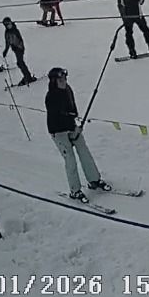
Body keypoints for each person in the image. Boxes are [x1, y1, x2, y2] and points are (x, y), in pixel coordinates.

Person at [45, 67, 110, 202]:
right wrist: (72, 127)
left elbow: (72, 108)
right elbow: (58, 116)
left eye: (65, 78)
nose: (64, 81)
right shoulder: (51, 97)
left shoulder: (67, 89)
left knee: (85, 154)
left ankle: (94, 180)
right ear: (54, 81)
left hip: (71, 127)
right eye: (61, 79)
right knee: (70, 161)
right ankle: (75, 190)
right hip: (58, 131)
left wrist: (75, 124)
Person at [1, 17, 37, 85]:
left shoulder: (15, 30)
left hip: (19, 48)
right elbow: (7, 42)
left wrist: (19, 47)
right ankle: (27, 76)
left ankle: (27, 77)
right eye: (6, 25)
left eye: (9, 24)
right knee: (20, 63)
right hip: (15, 49)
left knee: (20, 62)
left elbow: (19, 40)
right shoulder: (7, 32)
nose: (8, 26)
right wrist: (6, 50)